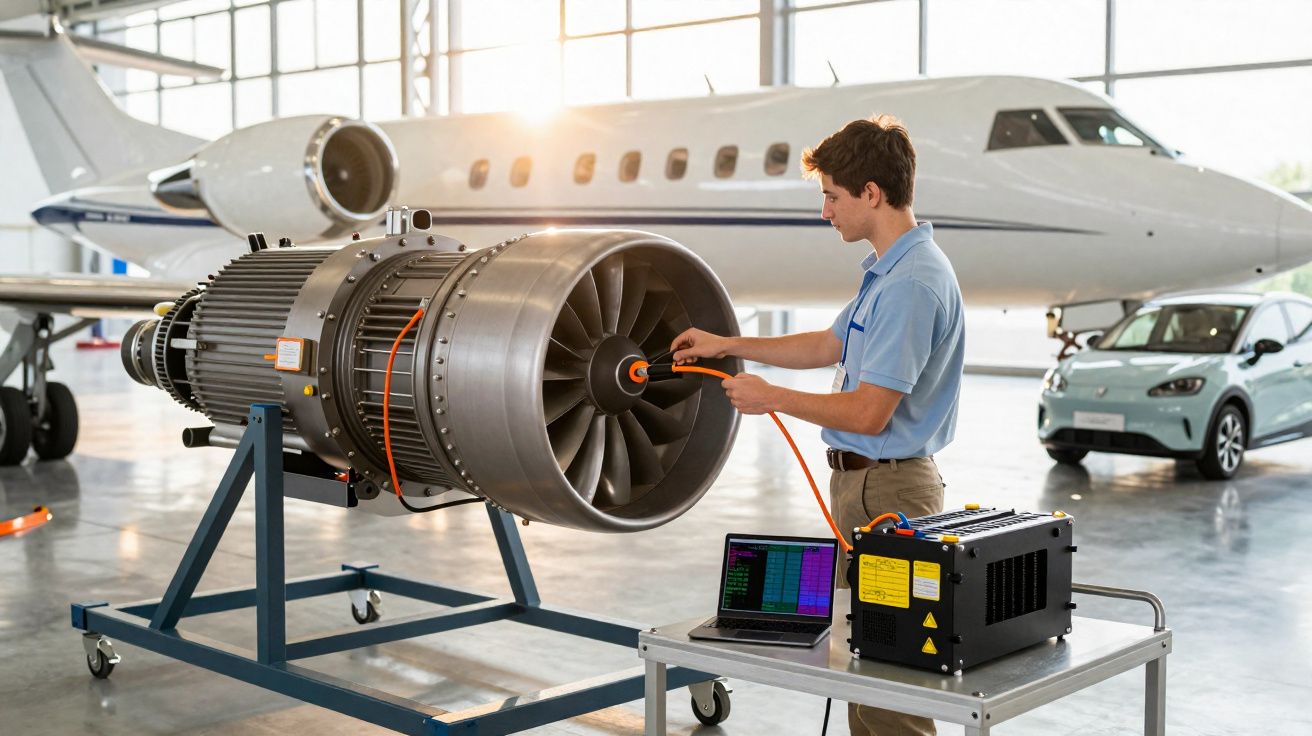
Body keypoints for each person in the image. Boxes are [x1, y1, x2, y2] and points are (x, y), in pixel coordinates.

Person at [669, 114, 965, 736]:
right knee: (869, 664)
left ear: (871, 194)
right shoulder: (888, 271)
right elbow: (828, 345)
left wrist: (771, 396)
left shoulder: (912, 282)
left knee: (892, 685)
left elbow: (868, 411)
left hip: (892, 495)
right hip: (866, 489)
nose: (824, 211)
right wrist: (726, 343)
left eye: (831, 196)